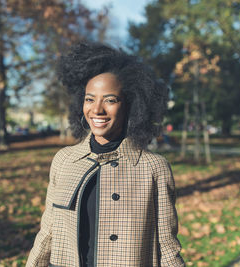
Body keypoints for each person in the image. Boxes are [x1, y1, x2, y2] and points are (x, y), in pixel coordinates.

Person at [26, 42, 184, 267]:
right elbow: (48, 232)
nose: (97, 109)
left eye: (110, 100)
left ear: (131, 105)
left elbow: (167, 246)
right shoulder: (63, 161)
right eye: (90, 99)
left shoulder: (153, 168)